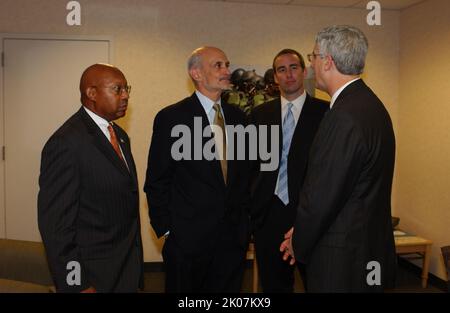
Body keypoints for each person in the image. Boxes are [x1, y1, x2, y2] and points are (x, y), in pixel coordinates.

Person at [280, 25, 397, 292]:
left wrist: (298, 241)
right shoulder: (371, 105)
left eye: (312, 57)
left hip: (343, 259)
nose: (310, 65)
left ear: (327, 61)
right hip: (366, 249)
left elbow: (323, 194)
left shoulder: (343, 116)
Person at [144, 46, 250, 292]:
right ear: (196, 74)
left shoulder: (239, 118)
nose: (227, 71)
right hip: (186, 241)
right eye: (218, 65)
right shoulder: (172, 118)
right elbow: (157, 180)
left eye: (227, 64)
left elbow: (245, 177)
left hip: (232, 241)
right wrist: (168, 231)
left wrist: (246, 227)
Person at [38, 64, 144, 293]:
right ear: (92, 93)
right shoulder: (66, 143)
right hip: (93, 275)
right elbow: (56, 227)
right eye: (117, 89)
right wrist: (77, 283)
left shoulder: (120, 135)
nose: (125, 95)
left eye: (127, 89)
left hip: (125, 267)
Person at [249, 49, 329, 292]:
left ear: (304, 72)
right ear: (275, 77)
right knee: (274, 285)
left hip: (309, 213)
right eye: (281, 70)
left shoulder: (326, 113)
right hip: (269, 214)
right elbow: (251, 166)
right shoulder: (259, 114)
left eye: (294, 67)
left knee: (318, 283)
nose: (288, 74)